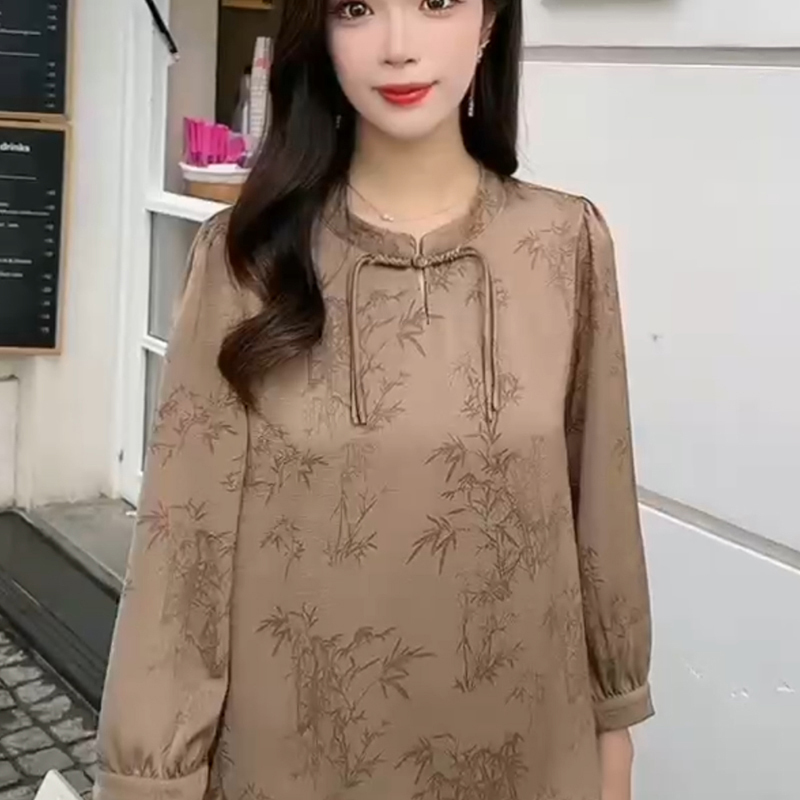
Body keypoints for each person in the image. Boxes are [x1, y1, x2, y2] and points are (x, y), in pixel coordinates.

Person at [95, 1, 654, 799]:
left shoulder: (564, 246)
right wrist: (152, 775)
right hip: (292, 766)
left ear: (490, 22)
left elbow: (601, 506)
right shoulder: (244, 261)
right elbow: (183, 554)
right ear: (319, 32)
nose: (399, 46)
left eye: (436, 3)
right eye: (357, 8)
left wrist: (614, 726)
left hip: (530, 755)